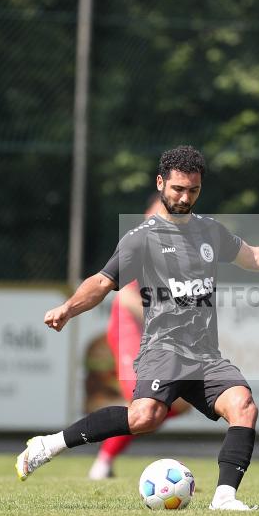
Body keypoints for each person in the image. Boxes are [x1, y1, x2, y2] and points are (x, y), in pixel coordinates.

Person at [16, 145, 259, 510]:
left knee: (243, 406)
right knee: (145, 417)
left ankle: (224, 498)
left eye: (193, 190)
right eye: (178, 188)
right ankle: (49, 445)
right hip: (163, 349)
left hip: (205, 355)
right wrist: (68, 308)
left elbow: (255, 257)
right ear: (160, 183)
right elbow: (102, 282)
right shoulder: (142, 238)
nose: (184, 197)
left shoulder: (210, 231)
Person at [87, 194, 192, 480]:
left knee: (179, 402)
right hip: (129, 331)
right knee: (145, 402)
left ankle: (105, 456)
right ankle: (101, 461)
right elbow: (125, 297)